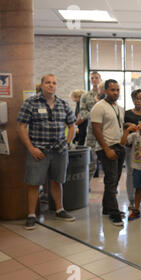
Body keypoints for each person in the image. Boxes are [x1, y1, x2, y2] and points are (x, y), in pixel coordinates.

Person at [17, 74, 77, 230]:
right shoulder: (31, 103)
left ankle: (59, 210)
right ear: (42, 85)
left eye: (54, 83)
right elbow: (21, 126)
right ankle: (31, 215)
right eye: (48, 82)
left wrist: (68, 142)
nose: (51, 85)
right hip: (38, 151)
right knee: (34, 183)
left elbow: (72, 125)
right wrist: (31, 148)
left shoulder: (63, 104)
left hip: (59, 151)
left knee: (57, 181)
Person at [91, 79, 126, 227]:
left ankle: (107, 208)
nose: (116, 93)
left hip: (119, 146)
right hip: (107, 147)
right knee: (111, 180)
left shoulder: (118, 107)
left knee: (114, 180)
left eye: (117, 90)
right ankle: (114, 212)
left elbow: (119, 125)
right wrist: (106, 148)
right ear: (105, 91)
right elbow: (96, 129)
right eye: (112, 90)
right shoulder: (99, 107)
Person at [79, 72, 102, 182]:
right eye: (92, 78)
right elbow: (83, 112)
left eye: (96, 78)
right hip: (92, 131)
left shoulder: (105, 95)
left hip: (105, 130)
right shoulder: (85, 96)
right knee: (90, 159)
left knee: (108, 159)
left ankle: (112, 186)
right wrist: (94, 116)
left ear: (100, 79)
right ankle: (86, 184)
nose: (94, 80)